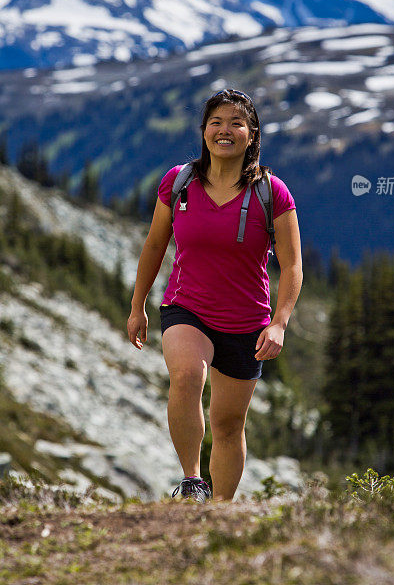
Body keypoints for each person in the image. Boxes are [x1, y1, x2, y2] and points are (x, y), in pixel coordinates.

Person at [127, 88, 303, 503]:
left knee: (227, 425)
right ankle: (192, 481)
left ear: (252, 134)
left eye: (236, 123)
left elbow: (292, 265)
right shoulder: (179, 182)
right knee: (187, 376)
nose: (225, 131)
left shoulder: (271, 193)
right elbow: (155, 245)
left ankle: (219, 511)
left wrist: (279, 323)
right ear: (204, 131)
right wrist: (137, 306)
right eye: (216, 123)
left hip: (247, 323)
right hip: (186, 307)